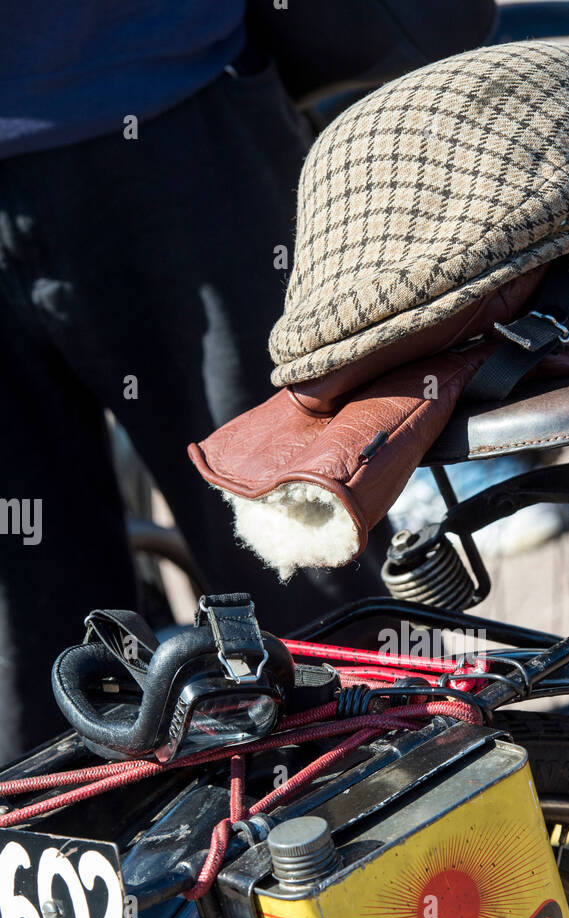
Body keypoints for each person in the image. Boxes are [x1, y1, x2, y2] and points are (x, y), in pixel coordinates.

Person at [0, 3, 392, 762]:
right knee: (31, 681)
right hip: (164, 105)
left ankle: (428, 856)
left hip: (170, 111)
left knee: (310, 579)